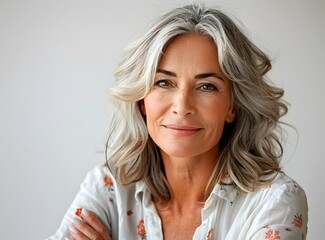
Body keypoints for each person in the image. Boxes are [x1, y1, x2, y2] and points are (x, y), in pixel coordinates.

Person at [47, 3, 308, 240]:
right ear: (141, 100)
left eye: (207, 86)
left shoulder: (275, 202)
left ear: (233, 106)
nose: (182, 107)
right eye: (164, 83)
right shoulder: (108, 186)